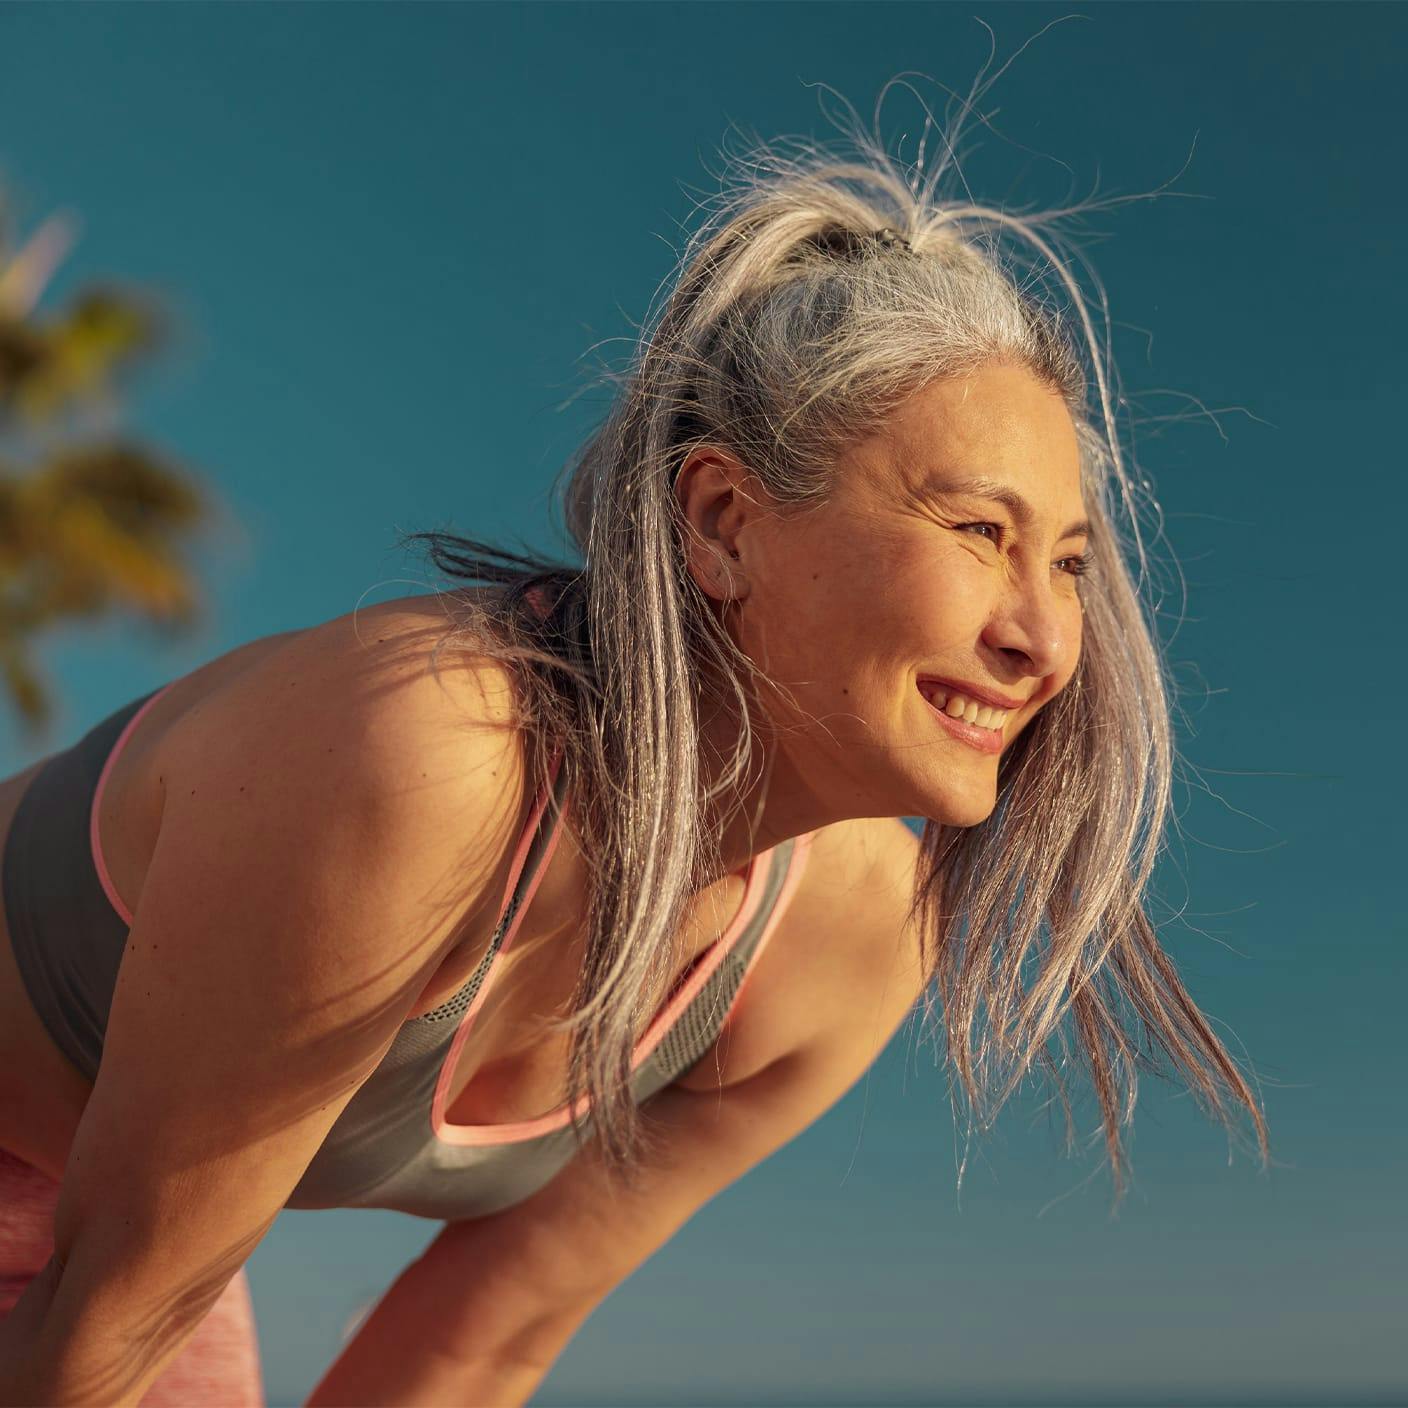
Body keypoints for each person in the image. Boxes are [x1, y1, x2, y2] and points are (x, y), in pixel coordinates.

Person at [0, 120, 1270, 1407]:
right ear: (723, 522)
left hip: (111, 1262)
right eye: (975, 529)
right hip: (105, 1279)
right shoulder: (433, 759)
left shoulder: (848, 945)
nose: (1046, 637)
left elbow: (473, 1348)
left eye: (1063, 561)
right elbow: (105, 1318)